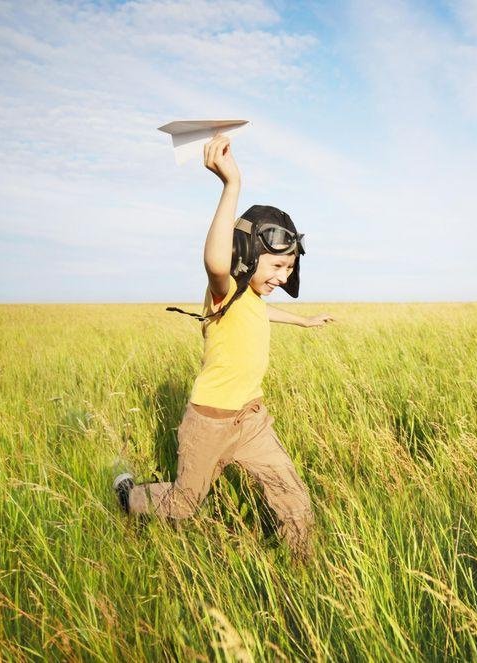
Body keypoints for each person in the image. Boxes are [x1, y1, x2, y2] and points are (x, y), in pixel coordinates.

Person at [112, 133, 333, 562]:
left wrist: (304, 321)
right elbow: (216, 260)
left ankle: (304, 571)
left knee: (295, 501)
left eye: (289, 268)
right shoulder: (224, 290)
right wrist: (231, 185)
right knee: (183, 504)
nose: (283, 277)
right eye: (276, 266)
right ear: (248, 255)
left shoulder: (251, 302)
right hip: (209, 423)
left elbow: (262, 316)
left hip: (251, 418)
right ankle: (127, 497)